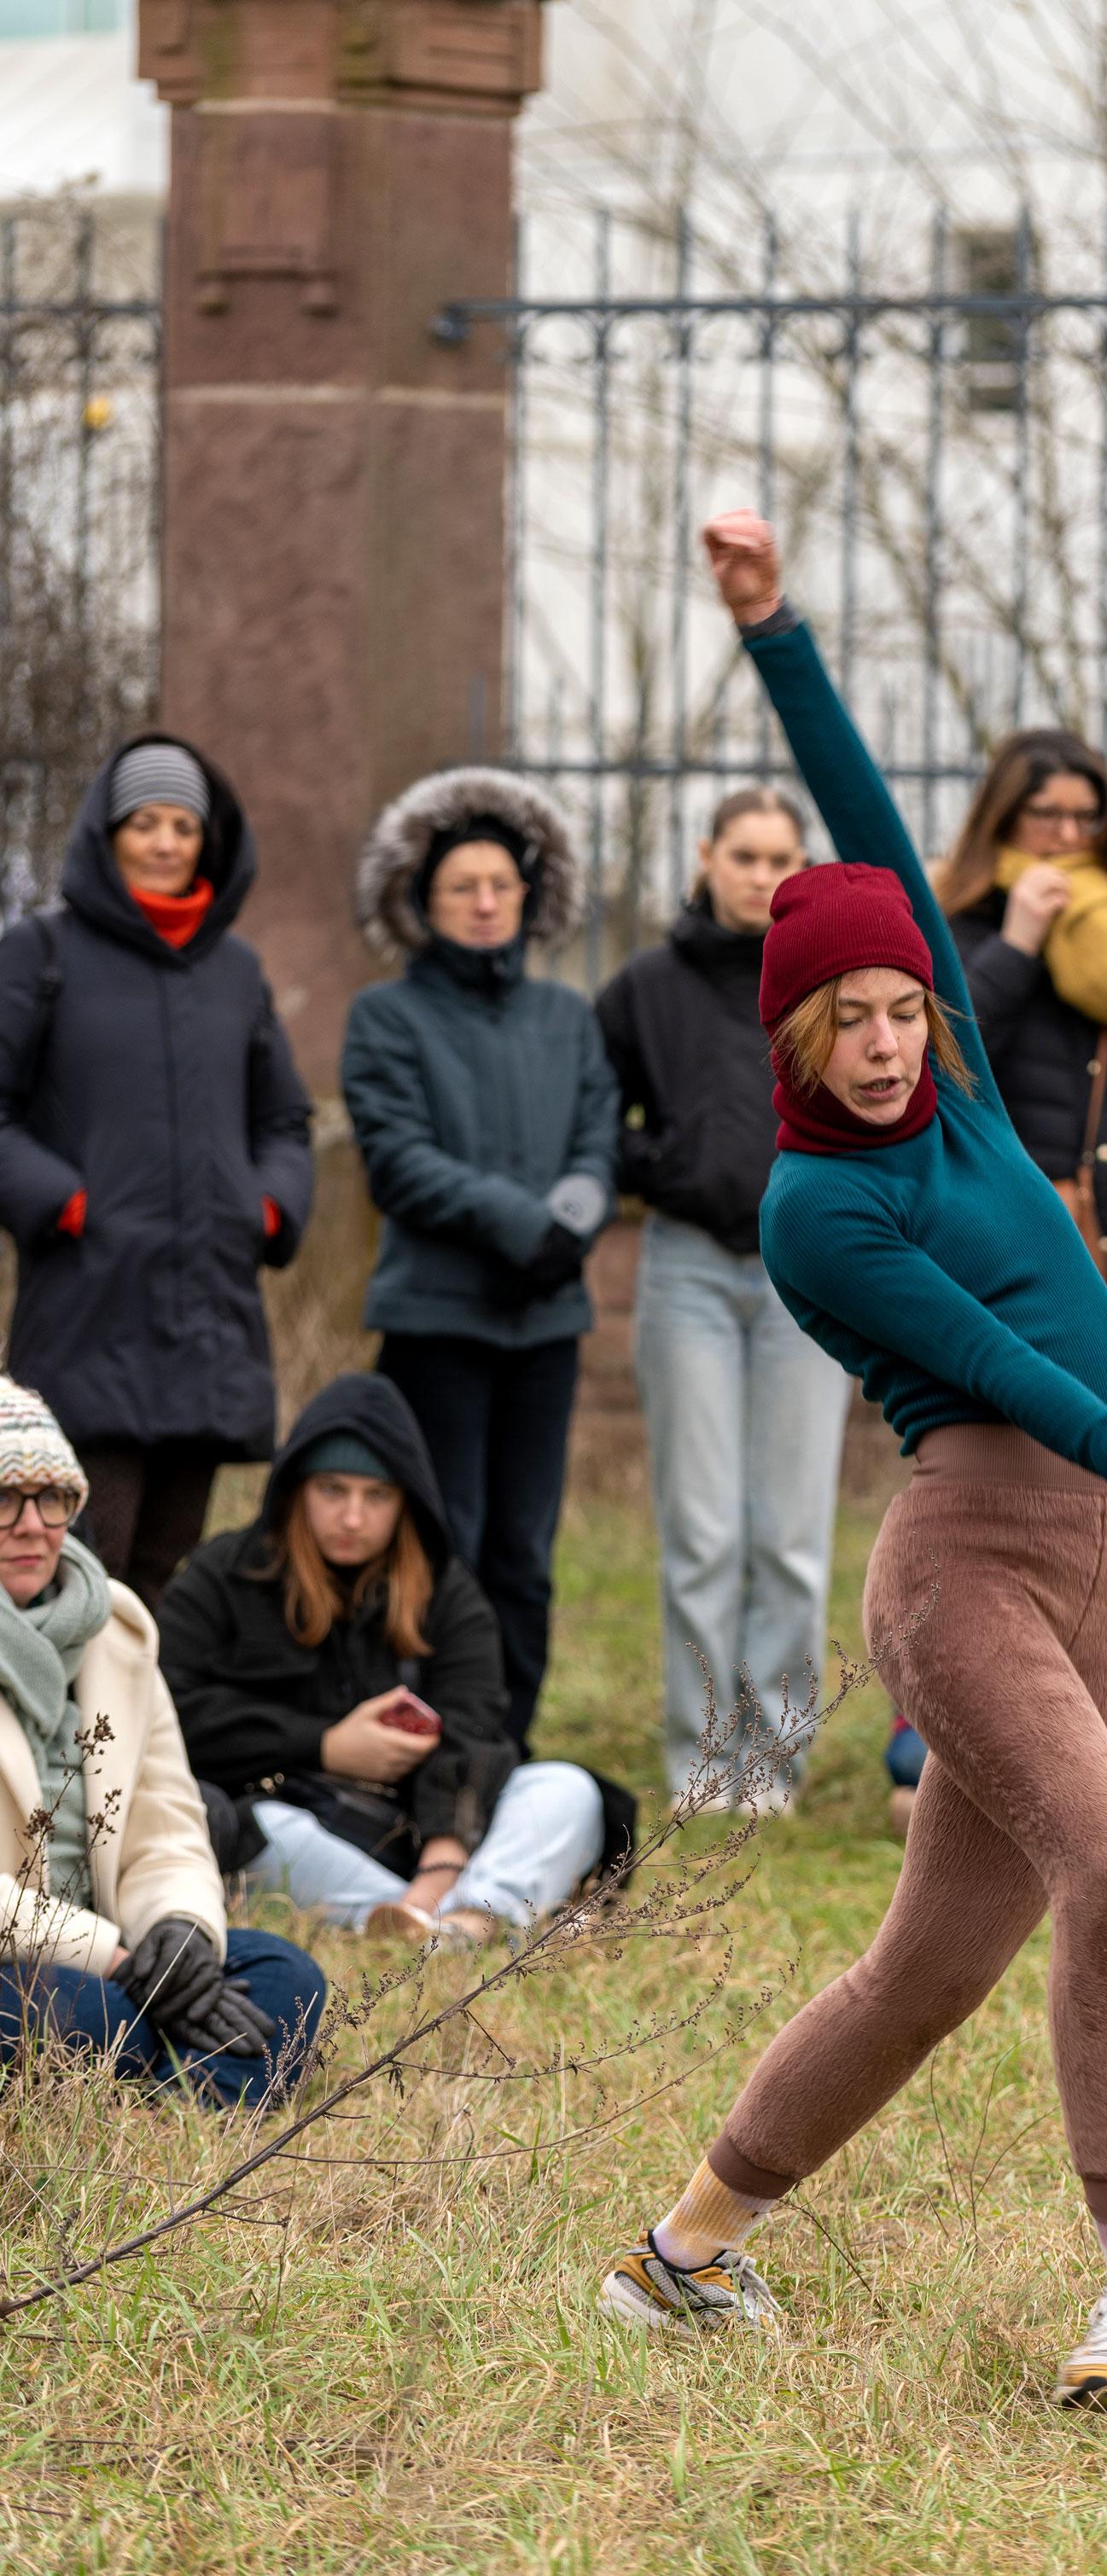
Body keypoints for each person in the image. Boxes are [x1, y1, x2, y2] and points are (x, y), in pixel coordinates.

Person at [594, 510, 1107, 2418]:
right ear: (793, 1030)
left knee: (923, 1972)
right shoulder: (815, 1206)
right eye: (842, 1019)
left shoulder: (956, 1055)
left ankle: (678, 2257)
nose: (880, 1043)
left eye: (898, 1009)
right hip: (967, 1560)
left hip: (1105, 1559)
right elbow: (1002, 1363)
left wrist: (773, 623)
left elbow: (858, 804)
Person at [0, 736, 313, 1611]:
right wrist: (60, 1204)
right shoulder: (40, 953)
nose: (168, 842)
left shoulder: (236, 971)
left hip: (208, 1320)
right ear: (109, 833)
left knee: (165, 1579)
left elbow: (285, 1119)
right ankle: (62, 1751)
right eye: (146, 822)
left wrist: (267, 1208)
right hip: (88, 1314)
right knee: (80, 1573)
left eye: (184, 825)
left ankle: (135, 1751)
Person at [342, 772, 621, 1746]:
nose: (485, 901)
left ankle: (511, 1741)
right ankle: (437, 1737)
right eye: (463, 884)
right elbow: (399, 1159)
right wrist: (521, 1225)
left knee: (524, 1551)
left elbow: (599, 1140)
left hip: (545, 1324)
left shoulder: (566, 1017)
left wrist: (567, 1227)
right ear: (423, 899)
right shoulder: (385, 1018)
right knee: (441, 1539)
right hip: (437, 1321)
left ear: (530, 895)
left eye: (502, 883)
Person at [158, 1375, 632, 1943]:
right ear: (297, 1489)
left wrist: (441, 1860)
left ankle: (459, 1918)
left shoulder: (445, 1588)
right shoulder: (224, 1573)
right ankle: (446, 1923)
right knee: (250, 1829)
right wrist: (323, 1743)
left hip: (432, 1844)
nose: (353, 1517)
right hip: (305, 1834)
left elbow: (476, 1723)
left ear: (405, 1499)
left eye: (375, 1495)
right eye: (332, 1490)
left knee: (566, 1789)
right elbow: (170, 1708)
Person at [595, 789, 851, 1812]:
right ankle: (704, 1761)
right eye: (744, 854)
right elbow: (593, 1113)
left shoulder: (828, 984)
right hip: (689, 1269)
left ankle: (772, 1765)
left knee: (789, 1531)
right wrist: (671, 1164)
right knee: (702, 1530)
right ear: (706, 856)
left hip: (811, 1275)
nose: (762, 874)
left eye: (782, 856)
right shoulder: (645, 988)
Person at [0, 1376, 324, 2107]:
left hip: (123, 1954)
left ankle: (152, 2091)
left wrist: (178, 1938)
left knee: (286, 1978)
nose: (32, 1524)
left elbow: (168, 1823)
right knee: (91, 2013)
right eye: (4, 1500)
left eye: (53, 1497)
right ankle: (177, 2077)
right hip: (42, 1960)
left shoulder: (118, 1628)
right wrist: (114, 1961)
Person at [935, 733, 1107, 1386]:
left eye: (1086, 816)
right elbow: (942, 1067)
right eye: (1046, 813)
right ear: (1004, 817)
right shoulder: (957, 923)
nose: (1067, 834)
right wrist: (1016, 947)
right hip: (1000, 1238)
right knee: (1002, 1460)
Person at [886, 1590, 1107, 1836]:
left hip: (1098, 1750)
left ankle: (980, 1819)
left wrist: (1094, 1738)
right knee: (910, 1755)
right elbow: (914, 1705)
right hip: (984, 1743)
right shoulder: (959, 1580)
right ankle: (1103, 1818)